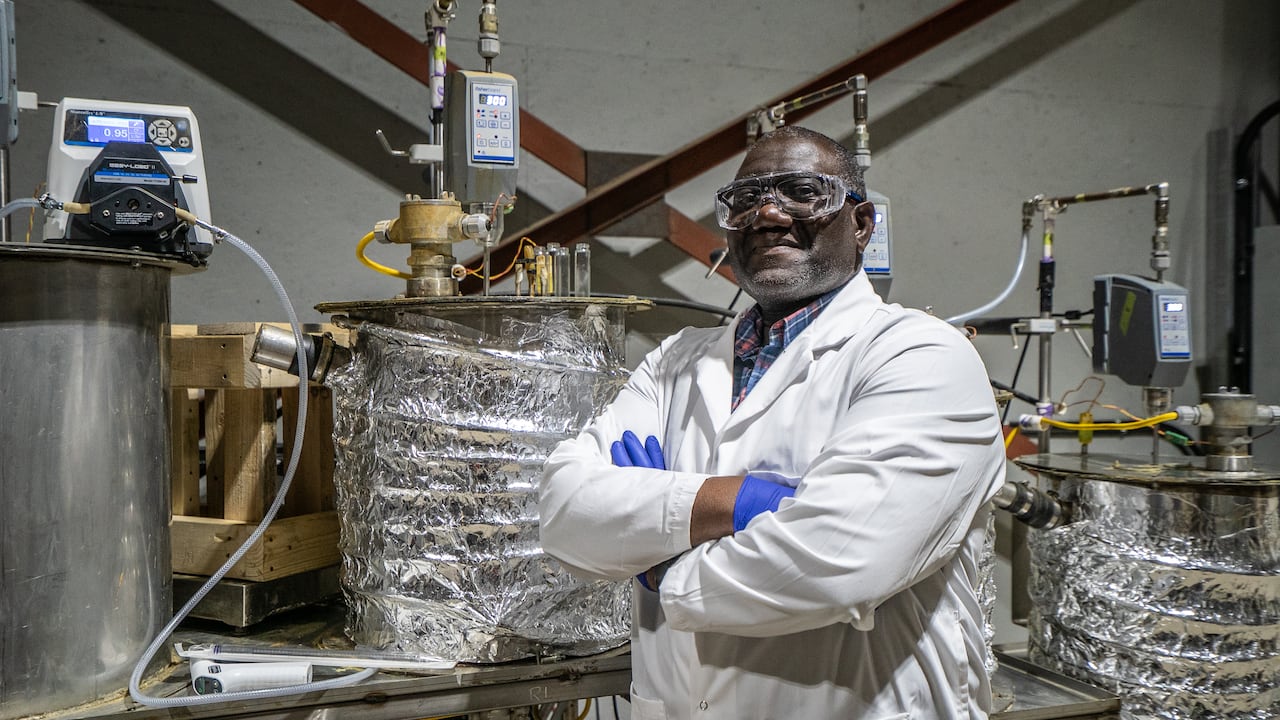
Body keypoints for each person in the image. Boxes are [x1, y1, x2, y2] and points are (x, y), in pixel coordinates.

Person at [539, 125, 1006, 720]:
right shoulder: (676, 360)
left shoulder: (921, 356)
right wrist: (737, 502)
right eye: (746, 199)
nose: (767, 213)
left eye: (802, 192)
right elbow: (561, 511)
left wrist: (657, 560)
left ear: (860, 224)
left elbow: (838, 563)